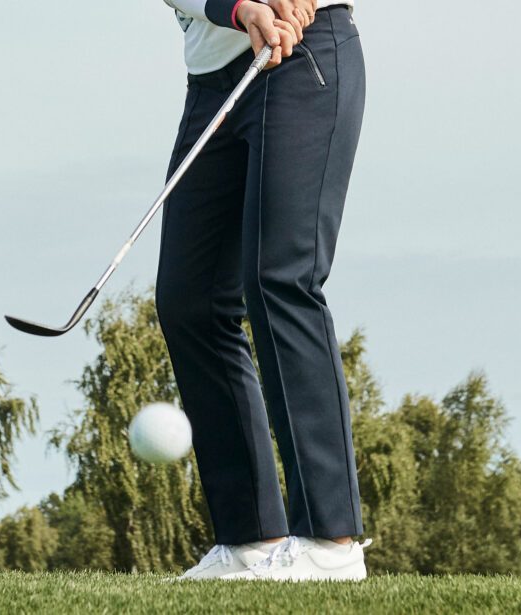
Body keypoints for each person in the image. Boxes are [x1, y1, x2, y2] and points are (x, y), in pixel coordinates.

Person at [156, 0, 369, 581]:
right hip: (212, 81)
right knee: (190, 302)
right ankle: (249, 538)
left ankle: (330, 542)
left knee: (280, 279)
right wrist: (239, 8)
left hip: (304, 57)